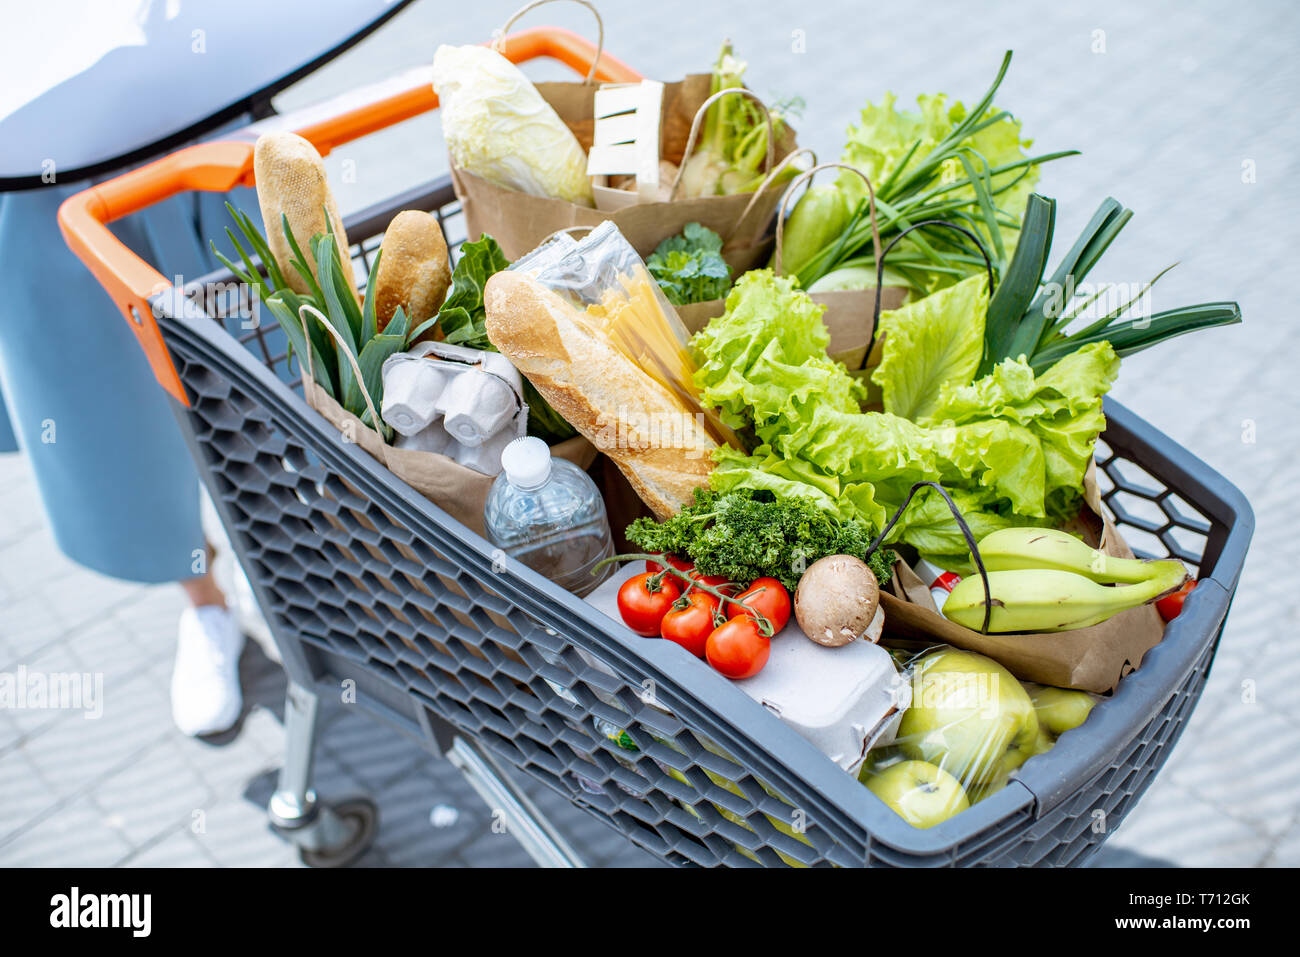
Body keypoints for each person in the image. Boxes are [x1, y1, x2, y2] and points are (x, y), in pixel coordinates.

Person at [0, 0, 407, 736]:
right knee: (110, 434)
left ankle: (292, 575)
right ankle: (205, 605)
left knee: (289, 388)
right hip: (38, 174)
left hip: (206, 118)